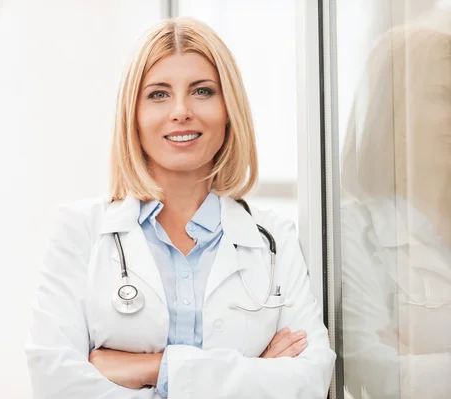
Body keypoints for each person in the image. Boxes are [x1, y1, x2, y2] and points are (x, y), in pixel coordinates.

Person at [25, 17, 335, 398]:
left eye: (203, 91)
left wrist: (150, 368)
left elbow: (308, 381)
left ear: (229, 109)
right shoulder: (80, 231)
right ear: (133, 115)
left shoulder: (275, 238)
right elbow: (55, 382)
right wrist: (256, 374)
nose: (181, 110)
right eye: (158, 94)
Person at [340, 12, 451, 398]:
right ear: (395, 110)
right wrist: (406, 372)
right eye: (443, 94)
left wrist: (425, 365)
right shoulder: (352, 230)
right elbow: (379, 375)